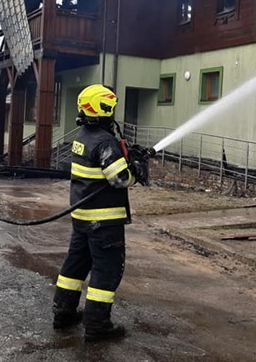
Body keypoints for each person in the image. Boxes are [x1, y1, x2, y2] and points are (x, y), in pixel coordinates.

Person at [52, 84, 147, 342]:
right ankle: (97, 325)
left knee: (75, 265)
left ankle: (63, 311)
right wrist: (137, 170)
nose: (114, 112)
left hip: (82, 217)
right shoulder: (105, 141)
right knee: (107, 269)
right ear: (103, 108)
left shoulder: (82, 137)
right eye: (111, 107)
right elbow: (119, 179)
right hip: (104, 221)